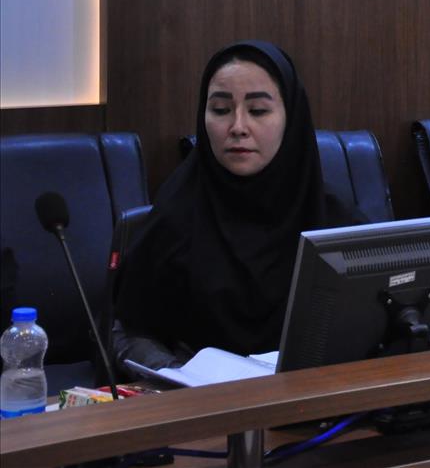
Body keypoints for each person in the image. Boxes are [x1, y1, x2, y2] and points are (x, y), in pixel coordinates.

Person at [113, 40, 362, 368]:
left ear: (291, 118)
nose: (238, 127)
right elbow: (127, 331)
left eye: (258, 111)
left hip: (314, 394)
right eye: (220, 110)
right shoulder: (175, 216)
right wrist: (178, 375)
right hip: (202, 395)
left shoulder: (333, 218)